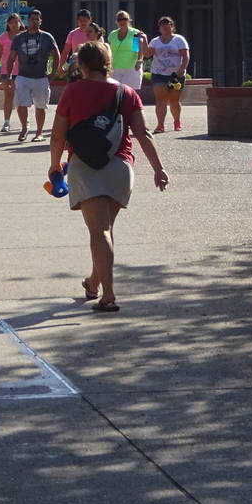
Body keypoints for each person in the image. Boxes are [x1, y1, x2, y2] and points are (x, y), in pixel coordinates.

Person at [49, 41, 169, 313]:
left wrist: (55, 164)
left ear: (81, 64)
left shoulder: (72, 91)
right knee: (104, 230)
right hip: (120, 166)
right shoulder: (127, 93)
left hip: (85, 166)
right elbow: (143, 133)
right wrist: (158, 168)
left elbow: (57, 134)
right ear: (108, 62)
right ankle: (93, 283)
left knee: (99, 231)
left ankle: (109, 295)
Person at [9, 8, 63, 143]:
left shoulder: (47, 37)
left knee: (40, 106)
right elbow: (11, 58)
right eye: (32, 19)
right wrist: (9, 76)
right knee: (21, 103)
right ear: (28, 21)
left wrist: (53, 73)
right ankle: (24, 127)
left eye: (37, 19)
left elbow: (56, 55)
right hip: (23, 76)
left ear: (41, 21)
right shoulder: (19, 38)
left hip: (41, 77)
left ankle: (39, 133)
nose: (34, 22)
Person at [143, 16, 191, 133]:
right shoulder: (155, 41)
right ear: (159, 28)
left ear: (172, 26)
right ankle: (160, 125)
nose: (165, 26)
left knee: (174, 100)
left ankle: (177, 121)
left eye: (167, 23)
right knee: (160, 99)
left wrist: (182, 68)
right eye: (162, 24)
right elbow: (147, 54)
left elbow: (185, 56)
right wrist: (143, 39)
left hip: (175, 75)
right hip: (159, 74)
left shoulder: (179, 40)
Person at [0, 13, 24, 133]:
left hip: (22, 71)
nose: (13, 25)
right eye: (11, 22)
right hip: (6, 71)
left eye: (16, 22)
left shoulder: (24, 36)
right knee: (8, 96)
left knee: (21, 97)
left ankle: (24, 123)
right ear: (7, 24)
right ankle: (6, 122)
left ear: (20, 23)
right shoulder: (3, 37)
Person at [107, 10, 146, 91]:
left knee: (131, 93)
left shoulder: (135, 33)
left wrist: (139, 60)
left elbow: (138, 48)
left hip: (132, 68)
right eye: (119, 19)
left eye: (124, 19)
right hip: (115, 68)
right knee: (115, 93)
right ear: (116, 21)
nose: (122, 21)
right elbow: (109, 50)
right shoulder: (112, 34)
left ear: (129, 20)